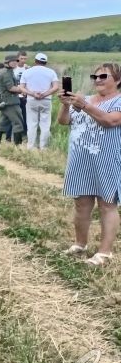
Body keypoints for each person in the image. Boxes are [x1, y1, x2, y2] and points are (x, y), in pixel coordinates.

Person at [59, 63, 121, 266]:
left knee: (106, 205)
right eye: (95, 76)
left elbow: (110, 121)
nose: (98, 80)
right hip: (80, 159)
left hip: (107, 159)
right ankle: (80, 244)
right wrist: (66, 104)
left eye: (104, 76)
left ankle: (105, 252)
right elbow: (63, 121)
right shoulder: (83, 98)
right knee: (81, 204)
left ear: (118, 79)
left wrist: (85, 106)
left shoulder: (118, 101)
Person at [19, 52, 60, 150]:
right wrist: (45, 94)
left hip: (31, 100)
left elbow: (21, 88)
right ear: (45, 62)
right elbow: (56, 87)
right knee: (45, 124)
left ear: (35, 61)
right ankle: (43, 147)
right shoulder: (51, 72)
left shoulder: (27, 71)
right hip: (46, 100)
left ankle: (31, 146)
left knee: (32, 123)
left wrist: (32, 94)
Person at [0, 56, 25, 145]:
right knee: (18, 123)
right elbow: (11, 88)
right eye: (12, 61)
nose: (15, 63)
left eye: (16, 61)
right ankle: (17, 146)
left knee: (3, 122)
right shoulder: (7, 73)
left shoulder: (8, 72)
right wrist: (23, 90)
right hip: (11, 102)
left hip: (6, 101)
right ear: (7, 62)